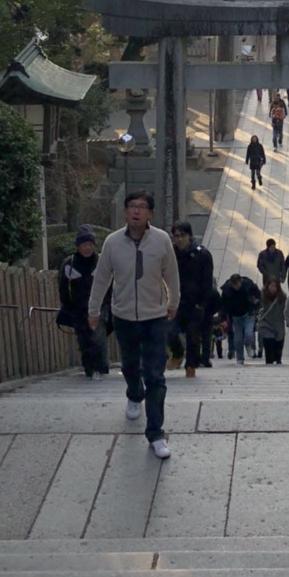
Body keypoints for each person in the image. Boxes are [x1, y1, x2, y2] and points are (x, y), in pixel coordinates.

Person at [89, 191, 179, 460]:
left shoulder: (161, 240)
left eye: (142, 207)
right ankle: (133, 393)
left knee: (155, 376)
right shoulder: (113, 242)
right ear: (125, 212)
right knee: (129, 365)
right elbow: (102, 278)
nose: (136, 212)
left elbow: (172, 275)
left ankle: (156, 433)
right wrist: (93, 310)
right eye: (132, 207)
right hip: (124, 315)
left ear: (150, 213)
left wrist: (173, 302)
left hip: (155, 317)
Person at [57, 227, 109, 378]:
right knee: (83, 338)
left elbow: (111, 283)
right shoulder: (69, 264)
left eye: (90, 244)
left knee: (98, 335)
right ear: (78, 246)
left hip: (100, 306)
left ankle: (101, 366)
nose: (87, 248)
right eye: (84, 244)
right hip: (77, 307)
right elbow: (63, 287)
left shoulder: (101, 261)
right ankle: (89, 367)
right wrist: (67, 306)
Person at [170, 220, 216, 377]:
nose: (179, 239)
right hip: (175, 301)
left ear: (189, 236)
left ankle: (191, 365)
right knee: (169, 330)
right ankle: (177, 353)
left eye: (182, 236)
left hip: (195, 302)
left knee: (193, 335)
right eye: (176, 236)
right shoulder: (171, 254)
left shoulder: (202, 254)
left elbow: (207, 281)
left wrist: (202, 303)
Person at [220, 272, 260, 364]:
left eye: (238, 285)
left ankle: (248, 345)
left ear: (240, 282)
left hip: (248, 314)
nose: (237, 287)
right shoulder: (227, 290)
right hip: (235, 317)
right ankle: (240, 358)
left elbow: (258, 294)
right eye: (235, 285)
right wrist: (223, 319)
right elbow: (223, 305)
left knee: (249, 334)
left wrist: (256, 303)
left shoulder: (248, 285)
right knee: (237, 338)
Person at [258, 277, 287, 364]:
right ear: (267, 286)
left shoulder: (282, 297)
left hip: (278, 324)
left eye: (275, 286)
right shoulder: (262, 295)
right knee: (268, 342)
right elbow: (259, 308)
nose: (273, 288)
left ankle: (278, 360)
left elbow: (286, 310)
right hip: (266, 323)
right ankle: (269, 361)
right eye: (271, 286)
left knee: (279, 344)